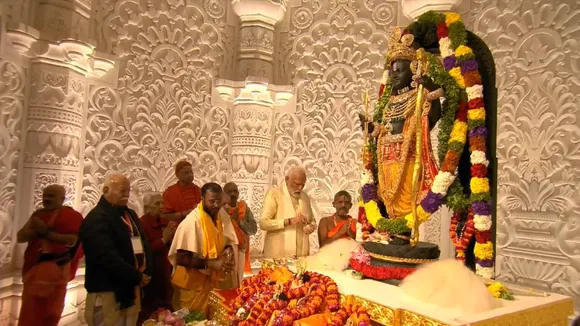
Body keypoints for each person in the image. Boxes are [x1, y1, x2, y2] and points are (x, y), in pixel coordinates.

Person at [359, 27, 443, 219]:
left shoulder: (419, 96)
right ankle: (394, 229)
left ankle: (403, 231)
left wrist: (428, 85)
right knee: (388, 198)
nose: (393, 76)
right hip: (387, 159)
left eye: (399, 71)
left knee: (407, 201)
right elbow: (384, 129)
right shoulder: (389, 101)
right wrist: (372, 128)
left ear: (413, 70)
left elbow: (433, 115)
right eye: (392, 72)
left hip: (409, 159)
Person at [80, 173, 152, 326]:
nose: (126, 195)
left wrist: (145, 270)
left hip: (131, 287)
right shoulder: (96, 218)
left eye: (128, 191)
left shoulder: (129, 214)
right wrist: (136, 276)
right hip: (107, 289)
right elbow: (107, 257)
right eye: (122, 191)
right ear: (106, 190)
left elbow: (142, 243)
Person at [16, 185, 83, 326]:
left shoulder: (71, 216)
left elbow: (72, 241)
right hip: (35, 272)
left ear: (62, 199)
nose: (46, 199)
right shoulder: (37, 215)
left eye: (51, 196)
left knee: (52, 314)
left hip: (57, 272)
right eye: (45, 195)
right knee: (29, 315)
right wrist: (38, 232)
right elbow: (20, 236)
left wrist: (46, 233)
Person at [168, 182, 238, 313]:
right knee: (194, 320)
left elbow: (228, 239)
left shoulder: (221, 215)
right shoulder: (191, 222)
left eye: (219, 201)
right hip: (191, 283)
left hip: (211, 281)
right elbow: (181, 258)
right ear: (202, 199)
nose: (216, 205)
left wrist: (228, 251)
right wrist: (212, 263)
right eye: (212, 201)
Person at [259, 166, 317, 258]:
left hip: (301, 257)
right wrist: (288, 221)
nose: (300, 188)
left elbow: (312, 220)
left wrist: (310, 226)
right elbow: (263, 223)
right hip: (278, 256)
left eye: (303, 185)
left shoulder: (305, 197)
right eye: (297, 184)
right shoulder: (274, 194)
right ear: (287, 179)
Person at [138, 193, 176, 324]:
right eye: (157, 204)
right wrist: (163, 240)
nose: (161, 207)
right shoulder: (141, 223)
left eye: (162, 203)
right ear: (146, 207)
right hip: (151, 275)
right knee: (149, 313)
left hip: (166, 273)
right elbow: (143, 250)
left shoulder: (164, 222)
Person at [223, 182, 258, 277]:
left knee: (240, 281)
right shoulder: (220, 209)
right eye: (229, 192)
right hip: (225, 252)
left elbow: (253, 229)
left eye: (235, 191)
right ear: (223, 194)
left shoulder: (244, 208)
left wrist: (239, 222)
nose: (233, 194)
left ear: (238, 193)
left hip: (242, 251)